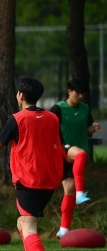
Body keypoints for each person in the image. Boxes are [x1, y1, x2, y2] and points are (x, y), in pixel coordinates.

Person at [0, 78, 61, 251]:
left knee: (28, 226)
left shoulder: (17, 119)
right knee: (21, 223)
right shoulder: (52, 118)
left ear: (20, 95)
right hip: (48, 180)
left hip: (28, 180)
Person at [49, 78, 101, 238]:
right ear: (69, 91)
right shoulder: (58, 108)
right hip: (62, 149)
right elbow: (48, 127)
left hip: (76, 154)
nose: (80, 96)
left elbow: (86, 129)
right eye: (77, 92)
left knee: (68, 190)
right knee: (81, 154)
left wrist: (94, 128)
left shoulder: (85, 108)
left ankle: (63, 229)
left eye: (83, 93)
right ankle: (80, 193)